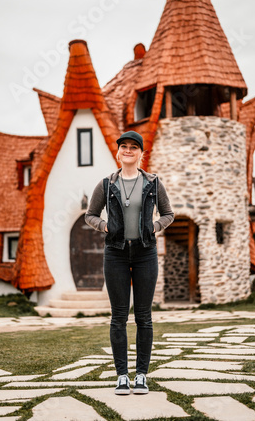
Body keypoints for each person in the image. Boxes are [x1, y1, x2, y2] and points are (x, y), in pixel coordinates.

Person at [85, 131, 174, 395]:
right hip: (115, 253)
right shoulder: (106, 184)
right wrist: (104, 227)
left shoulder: (153, 183)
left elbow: (168, 213)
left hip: (146, 253)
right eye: (123, 146)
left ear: (140, 153)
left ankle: (142, 376)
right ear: (118, 152)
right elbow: (90, 214)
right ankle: (122, 376)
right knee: (119, 317)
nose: (128, 150)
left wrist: (154, 227)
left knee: (144, 317)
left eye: (133, 147)